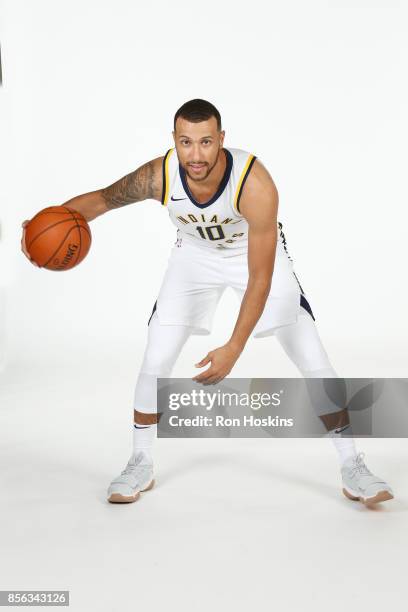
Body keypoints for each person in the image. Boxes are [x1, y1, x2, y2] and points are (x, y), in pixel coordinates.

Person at [21, 98, 394, 506]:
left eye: (205, 142)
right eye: (185, 142)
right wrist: (41, 225)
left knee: (311, 356)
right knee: (156, 357)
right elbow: (101, 201)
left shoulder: (254, 183)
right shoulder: (158, 176)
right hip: (194, 257)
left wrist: (234, 347)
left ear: (221, 140)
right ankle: (140, 461)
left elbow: (261, 278)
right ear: (174, 141)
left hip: (250, 258)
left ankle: (352, 465)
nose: (195, 155)